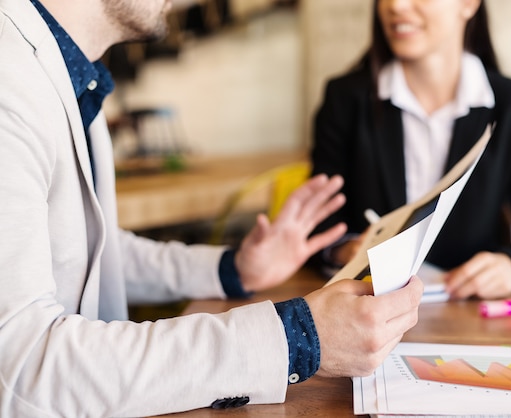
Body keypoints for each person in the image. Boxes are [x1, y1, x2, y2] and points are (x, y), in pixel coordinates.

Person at [0, 0, 424, 416]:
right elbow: (21, 370)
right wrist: (295, 339)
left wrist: (233, 269)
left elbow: (86, 249)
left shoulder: (65, 76)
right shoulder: (8, 81)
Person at [311, 0, 511, 300]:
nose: (396, 6)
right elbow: (317, 227)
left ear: (468, 4)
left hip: (465, 312)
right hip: (366, 308)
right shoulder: (345, 100)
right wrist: (344, 250)